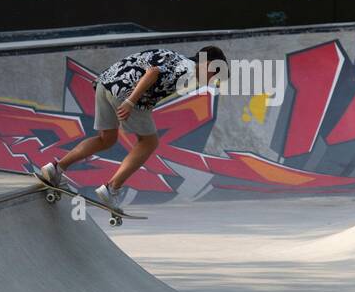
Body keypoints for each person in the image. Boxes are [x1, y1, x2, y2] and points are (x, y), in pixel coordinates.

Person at [36, 46, 227, 209]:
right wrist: (130, 101)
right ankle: (112, 188)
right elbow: (152, 73)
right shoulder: (188, 69)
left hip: (105, 84)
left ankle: (56, 168)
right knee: (149, 142)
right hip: (125, 94)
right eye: (214, 73)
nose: (212, 80)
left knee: (106, 139)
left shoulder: (173, 56)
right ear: (207, 63)